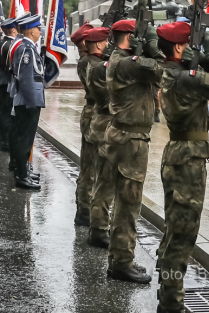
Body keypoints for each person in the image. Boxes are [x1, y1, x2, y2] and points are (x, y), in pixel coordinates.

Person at [155, 22, 209, 313]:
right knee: (183, 235)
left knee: (174, 229)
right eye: (189, 44)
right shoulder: (186, 79)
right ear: (180, 48)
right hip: (188, 161)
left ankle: (167, 288)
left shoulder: (171, 73)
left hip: (176, 153)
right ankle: (171, 300)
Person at [103, 18, 164, 283]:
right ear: (130, 37)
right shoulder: (127, 63)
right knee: (128, 203)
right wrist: (153, 47)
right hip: (130, 140)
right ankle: (121, 262)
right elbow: (162, 70)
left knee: (123, 201)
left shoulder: (121, 60)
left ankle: (119, 257)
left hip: (124, 135)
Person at [87, 27, 117, 250]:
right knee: (103, 182)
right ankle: (98, 228)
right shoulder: (98, 68)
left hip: (102, 125)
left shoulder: (99, 65)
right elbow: (110, 100)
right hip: (103, 125)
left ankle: (98, 225)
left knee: (102, 180)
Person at [10, 14, 46, 190]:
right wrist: (32, 103)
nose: (40, 31)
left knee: (25, 138)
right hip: (28, 101)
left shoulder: (27, 47)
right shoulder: (26, 49)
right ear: (32, 31)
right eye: (39, 28)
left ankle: (22, 171)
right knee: (24, 140)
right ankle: (21, 176)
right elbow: (26, 79)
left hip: (28, 100)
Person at [71, 23, 96, 226]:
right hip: (94, 115)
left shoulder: (87, 60)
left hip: (92, 114)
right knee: (90, 168)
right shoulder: (88, 61)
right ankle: (85, 211)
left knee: (89, 167)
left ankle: (84, 209)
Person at [0, 17, 20, 151]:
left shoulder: (3, 42)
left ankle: (0, 134)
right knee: (6, 111)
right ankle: (5, 140)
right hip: (7, 80)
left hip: (2, 79)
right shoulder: (11, 45)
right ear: (13, 30)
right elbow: (11, 66)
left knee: (2, 109)